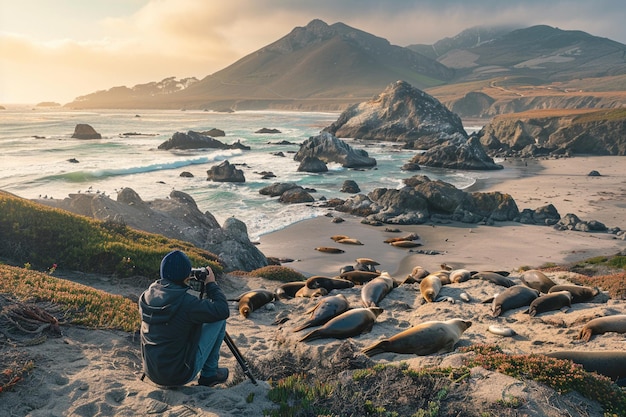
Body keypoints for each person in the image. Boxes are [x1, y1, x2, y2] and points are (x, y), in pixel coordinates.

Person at [139, 250, 230, 387]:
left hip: (151, 372)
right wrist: (211, 284)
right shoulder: (187, 304)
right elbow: (222, 310)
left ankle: (209, 373)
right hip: (178, 376)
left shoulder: (146, 296)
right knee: (218, 319)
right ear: (186, 275)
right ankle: (209, 374)